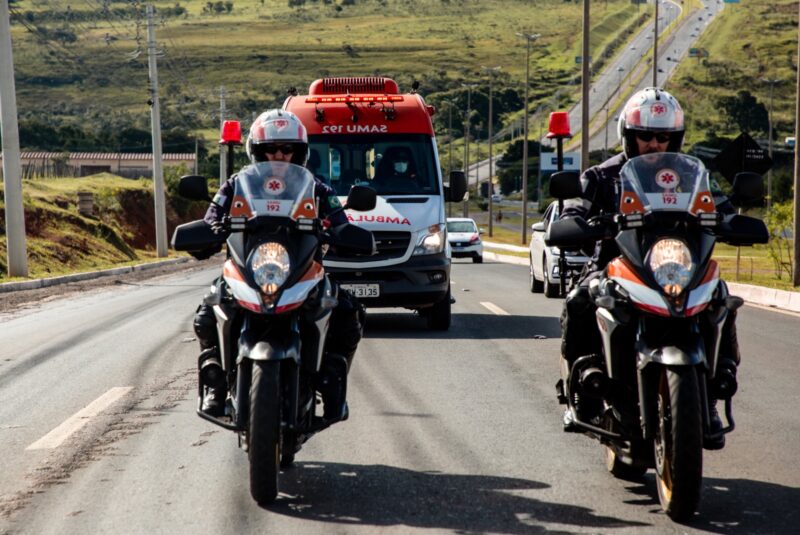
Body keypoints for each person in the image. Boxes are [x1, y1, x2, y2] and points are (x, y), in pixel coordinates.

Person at [559, 87, 739, 449]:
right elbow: (575, 208)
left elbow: (722, 206)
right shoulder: (602, 176)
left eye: (664, 136)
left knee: (721, 298)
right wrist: (577, 221)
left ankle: (714, 391)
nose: (655, 144)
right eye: (646, 136)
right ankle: (586, 390)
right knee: (581, 298)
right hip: (616, 264)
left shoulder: (694, 178)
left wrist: (732, 219)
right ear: (629, 135)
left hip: (679, 267)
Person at [193, 109, 365, 421]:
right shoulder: (235, 185)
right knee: (208, 310)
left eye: (288, 149)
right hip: (249, 266)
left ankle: (329, 385)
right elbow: (212, 216)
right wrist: (211, 230)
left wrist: (340, 231)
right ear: (256, 152)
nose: (279, 156)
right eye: (270, 149)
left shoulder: (317, 188)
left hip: (302, 267)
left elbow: (340, 220)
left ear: (299, 153)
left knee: (347, 312)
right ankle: (215, 382)